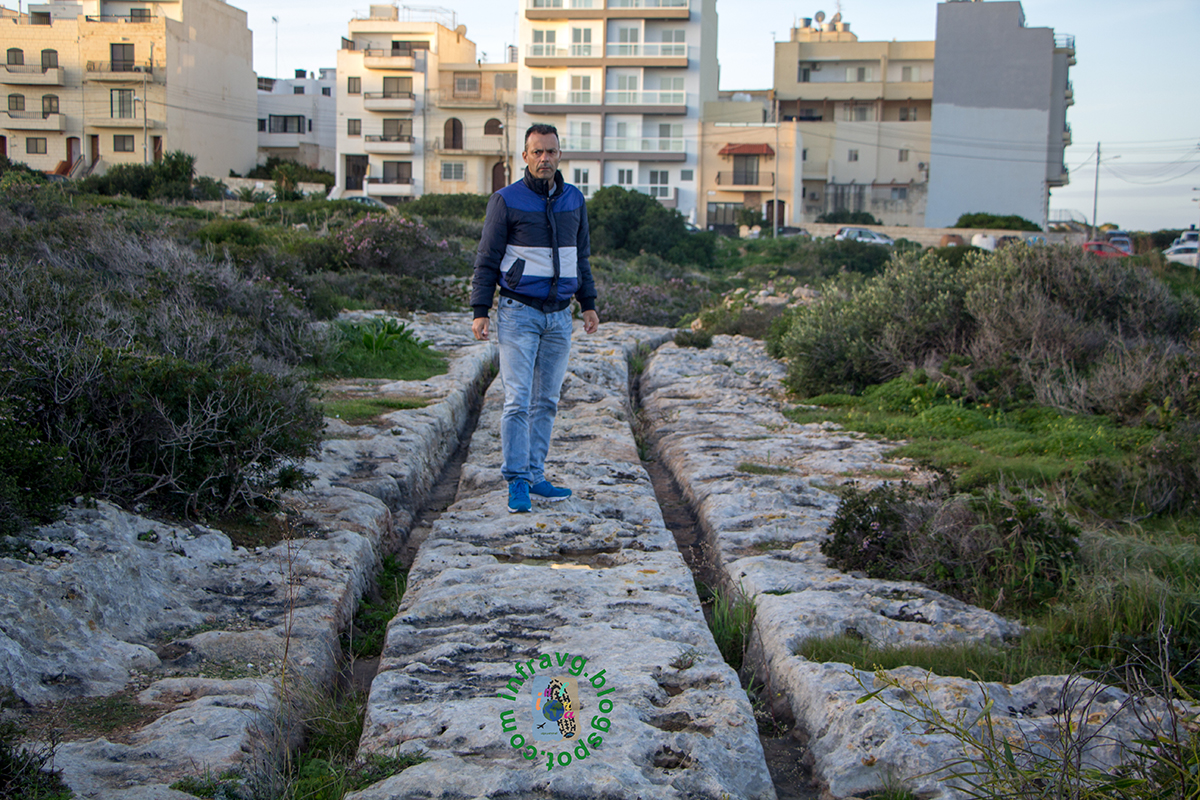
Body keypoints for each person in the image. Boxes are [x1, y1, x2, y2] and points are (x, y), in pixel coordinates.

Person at [471, 124, 599, 514]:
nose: (545, 158)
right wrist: (480, 310)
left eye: (551, 152)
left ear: (560, 155)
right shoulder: (505, 200)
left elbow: (581, 257)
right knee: (517, 400)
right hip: (517, 313)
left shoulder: (574, 200)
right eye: (537, 152)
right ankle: (517, 482)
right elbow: (487, 258)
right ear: (524, 157)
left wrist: (588, 302)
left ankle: (536, 474)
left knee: (547, 400)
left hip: (560, 317)